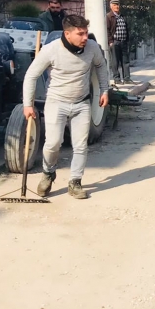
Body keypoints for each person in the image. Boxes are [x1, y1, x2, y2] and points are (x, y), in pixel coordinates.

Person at [23, 14, 110, 200]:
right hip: (56, 102)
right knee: (53, 143)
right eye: (81, 34)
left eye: (86, 32)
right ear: (67, 34)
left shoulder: (92, 48)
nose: (85, 37)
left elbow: (101, 66)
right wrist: (27, 104)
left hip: (82, 103)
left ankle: (75, 182)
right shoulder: (51, 50)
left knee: (80, 145)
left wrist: (104, 90)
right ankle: (48, 173)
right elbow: (31, 76)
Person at [105, 0, 131, 84]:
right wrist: (110, 41)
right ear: (111, 6)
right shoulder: (109, 16)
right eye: (115, 5)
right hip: (115, 42)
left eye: (118, 5)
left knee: (125, 61)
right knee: (115, 62)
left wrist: (127, 40)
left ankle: (127, 79)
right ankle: (117, 79)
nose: (117, 7)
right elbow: (107, 30)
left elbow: (126, 29)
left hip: (123, 42)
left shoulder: (122, 16)